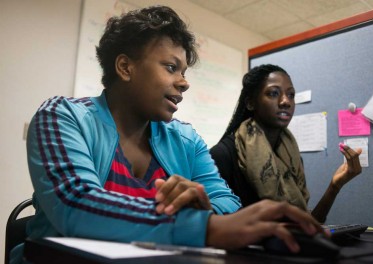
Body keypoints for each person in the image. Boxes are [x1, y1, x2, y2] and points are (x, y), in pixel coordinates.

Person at [12, 7, 324, 264]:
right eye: (171, 67)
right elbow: (76, 204)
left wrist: (205, 208)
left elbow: (227, 202)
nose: (184, 83)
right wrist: (202, 226)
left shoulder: (186, 140)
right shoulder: (62, 116)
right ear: (125, 67)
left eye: (184, 72)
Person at [210, 64, 362, 223]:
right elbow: (217, 230)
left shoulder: (291, 156)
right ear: (250, 103)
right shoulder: (223, 156)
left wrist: (334, 186)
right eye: (274, 93)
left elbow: (306, 226)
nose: (285, 102)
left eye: (291, 95)